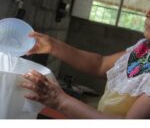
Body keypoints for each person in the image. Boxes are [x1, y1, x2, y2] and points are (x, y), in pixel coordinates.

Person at [21, 10, 150, 119]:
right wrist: (53, 46)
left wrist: (60, 100)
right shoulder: (143, 49)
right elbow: (100, 64)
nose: (147, 13)